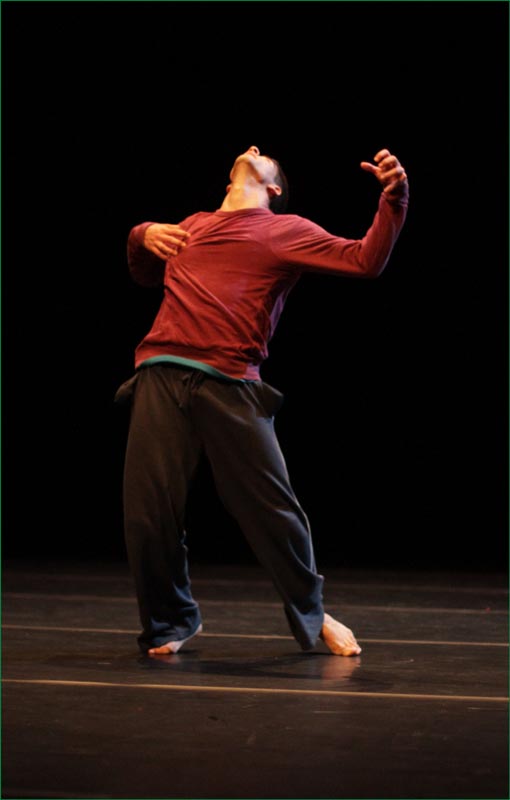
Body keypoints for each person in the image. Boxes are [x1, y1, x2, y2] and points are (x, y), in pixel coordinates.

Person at [117, 144, 409, 657]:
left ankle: (312, 611)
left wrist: (395, 199)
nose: (253, 148)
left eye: (264, 155)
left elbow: (365, 260)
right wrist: (142, 234)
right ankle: (172, 621)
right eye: (250, 148)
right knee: (147, 514)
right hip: (161, 371)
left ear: (274, 188)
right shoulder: (192, 225)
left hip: (229, 381)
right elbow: (145, 272)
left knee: (273, 511)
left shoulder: (284, 230)